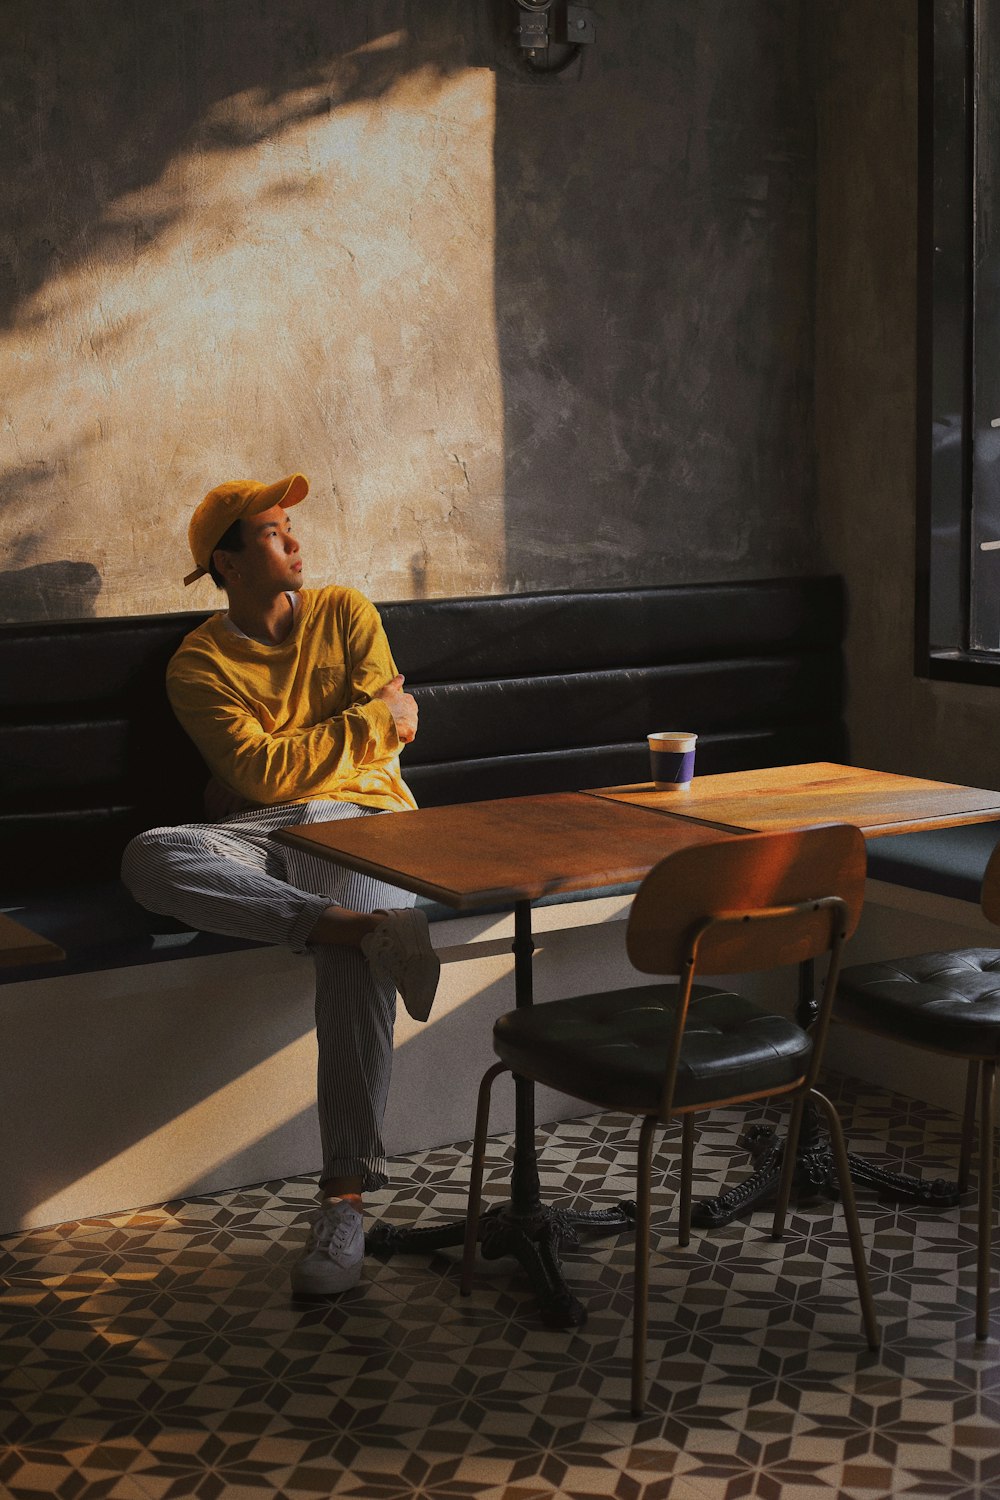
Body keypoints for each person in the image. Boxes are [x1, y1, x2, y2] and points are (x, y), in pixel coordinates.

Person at [121, 472, 440, 1297]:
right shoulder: (197, 664)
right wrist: (370, 724)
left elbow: (320, 760)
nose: (294, 540)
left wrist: (285, 761)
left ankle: (342, 1201)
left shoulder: (347, 612)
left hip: (359, 815)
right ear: (225, 564)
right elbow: (273, 771)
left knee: (351, 955)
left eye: (290, 524)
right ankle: (358, 925)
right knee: (153, 855)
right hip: (266, 828)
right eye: (269, 531)